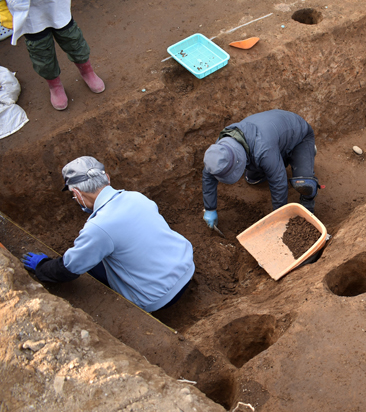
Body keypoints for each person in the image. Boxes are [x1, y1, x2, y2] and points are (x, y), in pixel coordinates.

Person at [21, 156, 195, 312]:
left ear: (76, 193)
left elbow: (69, 269)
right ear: (107, 178)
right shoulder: (136, 197)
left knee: (90, 262)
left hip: (156, 298)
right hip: (186, 267)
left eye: (74, 197)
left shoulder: (98, 228)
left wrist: (43, 266)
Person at [202, 109, 318, 230]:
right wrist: (210, 208)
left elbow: (278, 182)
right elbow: (208, 174)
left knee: (304, 185)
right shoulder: (221, 148)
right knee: (253, 177)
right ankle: (282, 157)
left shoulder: (263, 150)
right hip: (272, 140)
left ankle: (305, 154)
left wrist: (279, 218)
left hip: (299, 136)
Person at [0, 0, 105, 111]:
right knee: (40, 50)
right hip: (24, 3)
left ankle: (87, 72)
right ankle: (54, 86)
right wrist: (1, 5)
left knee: (71, 38)